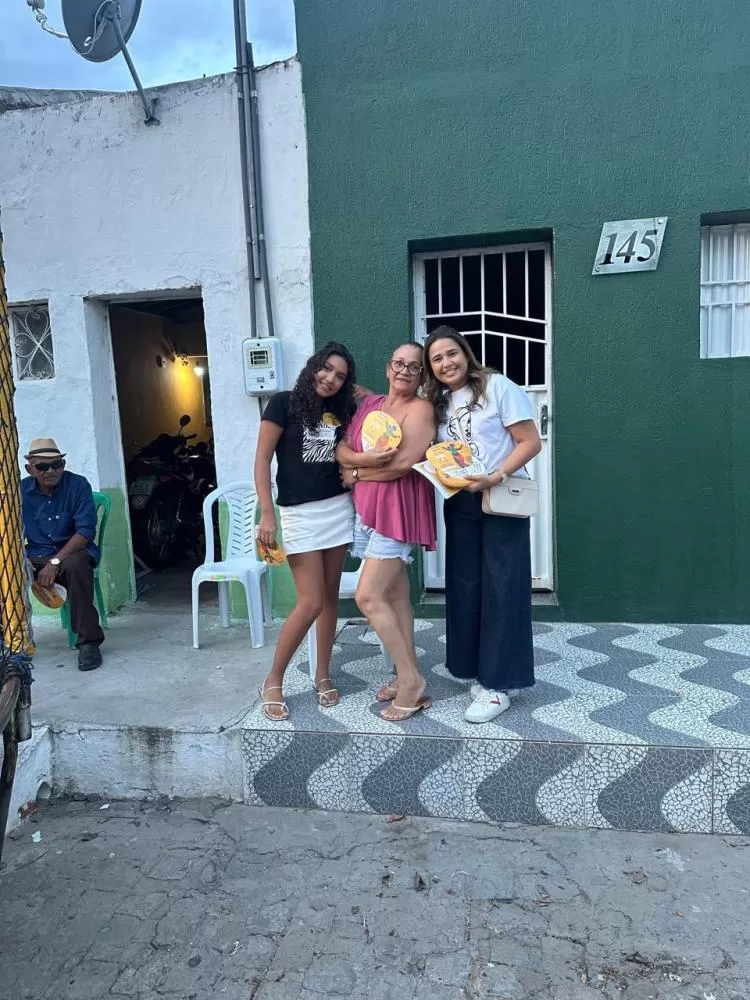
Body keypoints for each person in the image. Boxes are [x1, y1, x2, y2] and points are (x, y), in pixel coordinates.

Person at [423, 326, 542, 723]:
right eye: (437, 359)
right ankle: (477, 670)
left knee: (503, 587)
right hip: (461, 500)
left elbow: (530, 442)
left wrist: (497, 474)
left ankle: (499, 685)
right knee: (466, 585)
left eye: (451, 353)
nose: (446, 363)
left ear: (465, 352)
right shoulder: (438, 401)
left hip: (500, 497)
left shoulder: (497, 387)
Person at [254, 342, 368, 721]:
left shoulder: (342, 409)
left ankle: (322, 674)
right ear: (313, 366)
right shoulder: (282, 404)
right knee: (311, 601)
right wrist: (267, 514)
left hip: (337, 509)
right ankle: (273, 679)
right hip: (299, 515)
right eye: (326, 369)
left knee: (330, 598)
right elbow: (262, 461)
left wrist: (357, 391)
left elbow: (376, 403)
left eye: (340, 375)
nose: (331, 379)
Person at [337, 343, 436, 722]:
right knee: (394, 595)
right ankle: (405, 672)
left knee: (368, 596)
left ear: (422, 375)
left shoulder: (420, 410)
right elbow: (342, 448)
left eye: (414, 366)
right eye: (399, 363)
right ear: (388, 367)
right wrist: (360, 462)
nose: (405, 371)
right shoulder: (371, 405)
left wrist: (356, 473)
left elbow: (402, 466)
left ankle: (411, 682)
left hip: (399, 510)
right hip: (369, 509)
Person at [21, 438, 105, 671]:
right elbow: (10, 529)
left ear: (63, 464)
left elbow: (85, 531)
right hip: (35, 554)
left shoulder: (78, 485)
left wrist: (55, 561)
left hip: (71, 551)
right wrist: (23, 559)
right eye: (42, 466)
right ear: (30, 469)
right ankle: (9, 640)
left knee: (77, 565)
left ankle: (88, 643)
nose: (51, 471)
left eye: (56, 464)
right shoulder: (20, 491)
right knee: (6, 568)